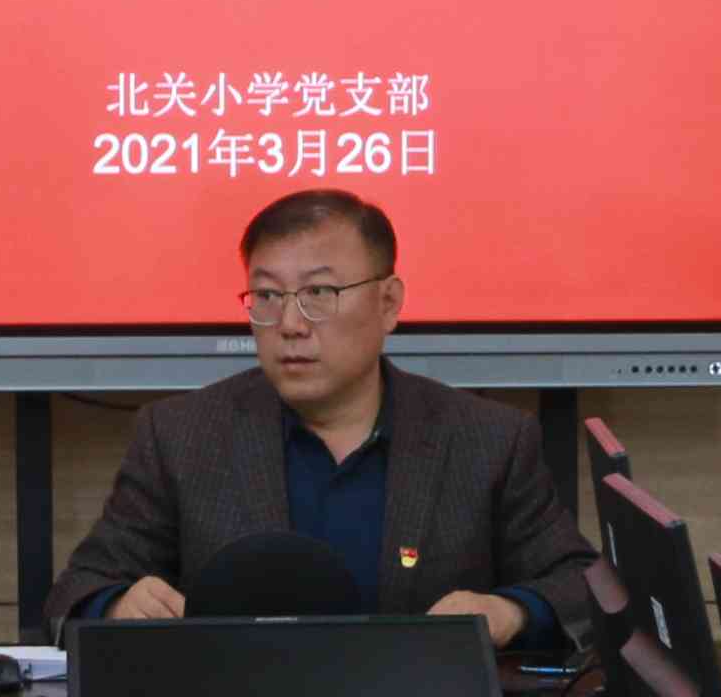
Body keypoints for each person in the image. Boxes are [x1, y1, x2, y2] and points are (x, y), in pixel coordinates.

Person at [50, 191, 576, 648]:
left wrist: (511, 613)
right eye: (267, 296)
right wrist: (117, 606)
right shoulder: (181, 436)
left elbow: (580, 584)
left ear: (388, 303)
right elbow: (78, 589)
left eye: (318, 294)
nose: (289, 324)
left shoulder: (488, 440)